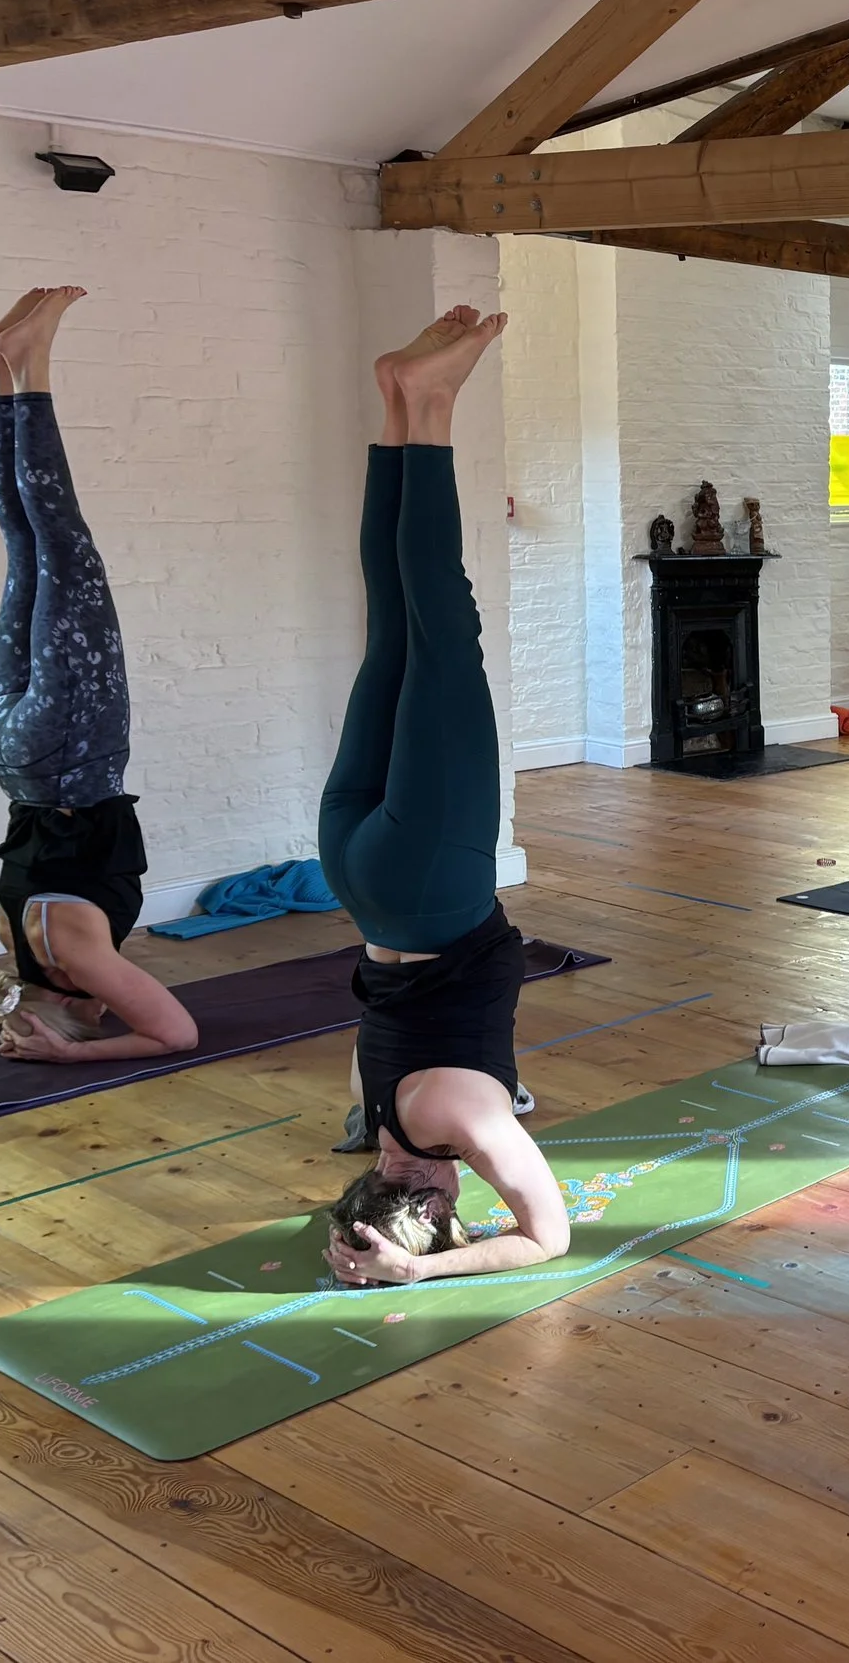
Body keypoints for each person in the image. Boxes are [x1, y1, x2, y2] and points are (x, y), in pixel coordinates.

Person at [319, 306, 571, 1288]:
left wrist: (420, 1270)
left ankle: (433, 405)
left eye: (450, 1211)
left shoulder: (459, 1116)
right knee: (393, 624)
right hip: (360, 878)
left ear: (433, 1199)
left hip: (432, 884)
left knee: (443, 623)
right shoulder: (378, 1111)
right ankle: (400, 399)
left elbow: (547, 1237)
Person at [0, 288, 195, 1065]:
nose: (114, 1005)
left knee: (64, 543)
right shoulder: (17, 938)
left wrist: (72, 1055)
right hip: (12, 756)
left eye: (99, 1015)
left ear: (77, 1008)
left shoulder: (78, 957)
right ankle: (11, 368)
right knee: (28, 547)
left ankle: (31, 369)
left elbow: (176, 1032)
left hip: (72, 752)